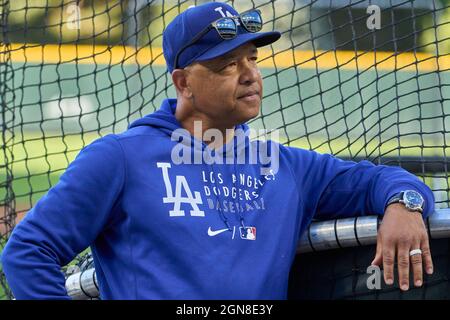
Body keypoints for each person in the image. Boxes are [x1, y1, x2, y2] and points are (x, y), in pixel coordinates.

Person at [1, 2, 434, 300]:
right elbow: (27, 251)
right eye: (227, 65)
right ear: (183, 83)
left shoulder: (289, 165)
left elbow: (384, 180)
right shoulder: (119, 158)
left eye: (251, 59)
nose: (249, 75)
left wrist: (405, 205)